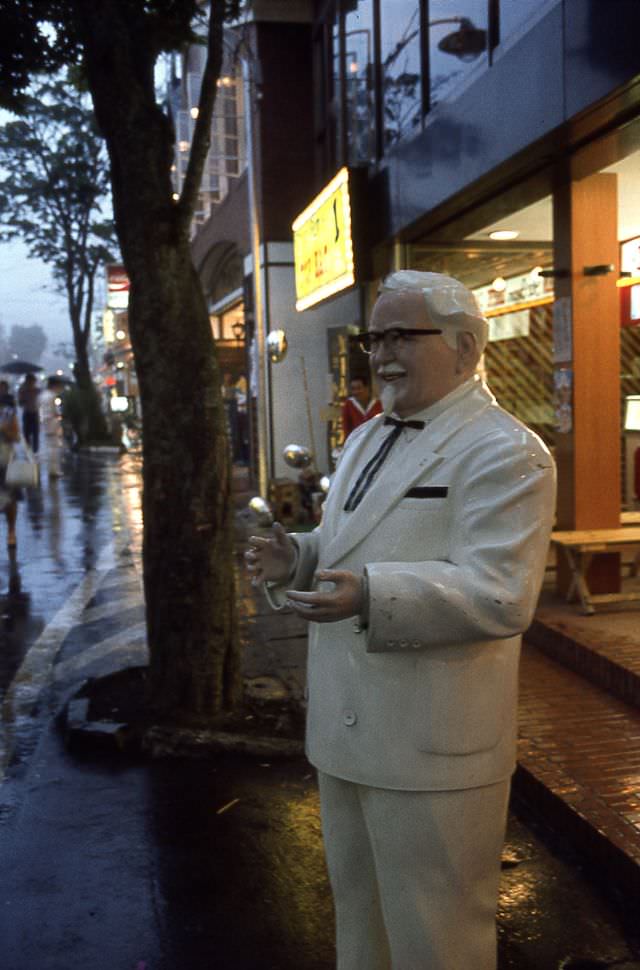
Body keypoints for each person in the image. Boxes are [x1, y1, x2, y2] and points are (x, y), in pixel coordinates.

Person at [246, 270, 556, 970]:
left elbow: (503, 593)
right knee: (360, 924)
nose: (381, 354)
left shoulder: (506, 451)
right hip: (344, 733)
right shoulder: (365, 438)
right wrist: (297, 558)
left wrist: (371, 594)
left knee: (437, 937)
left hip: (433, 744)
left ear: (465, 346)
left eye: (400, 336)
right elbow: (346, 544)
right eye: (375, 337)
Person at [0, 380, 21, 549]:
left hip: (5, 459)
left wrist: (4, 429)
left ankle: (11, 531)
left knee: (11, 499)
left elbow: (16, 437)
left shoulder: (8, 412)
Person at [341, 373, 382, 441]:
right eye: (353, 389)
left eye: (359, 388)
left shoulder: (378, 404)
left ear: (367, 388)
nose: (356, 392)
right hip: (356, 443)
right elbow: (346, 429)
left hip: (375, 441)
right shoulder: (349, 405)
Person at [40, 377, 64, 478]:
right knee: (53, 447)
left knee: (49, 446)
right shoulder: (52, 396)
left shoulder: (43, 395)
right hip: (52, 422)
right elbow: (55, 411)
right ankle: (54, 470)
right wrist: (59, 415)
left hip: (45, 422)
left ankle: (51, 469)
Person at [18, 372, 40, 453]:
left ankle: (35, 451)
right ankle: (27, 449)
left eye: (33, 381)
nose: (32, 383)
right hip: (27, 413)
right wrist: (24, 399)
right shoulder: (22, 390)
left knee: (35, 433)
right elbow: (20, 403)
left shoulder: (37, 390)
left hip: (35, 413)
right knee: (26, 433)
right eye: (30, 381)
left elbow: (40, 401)